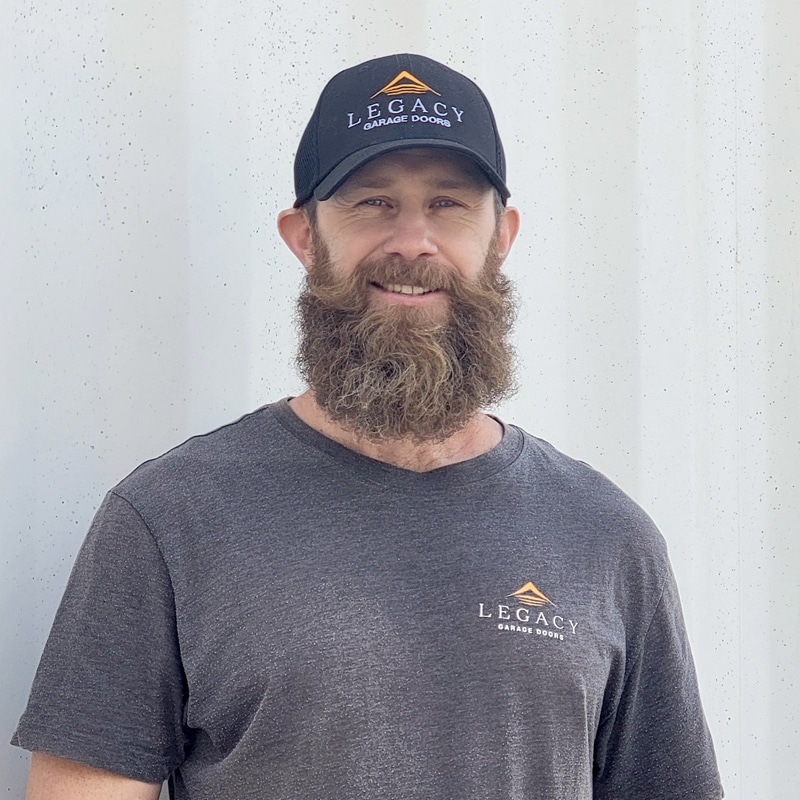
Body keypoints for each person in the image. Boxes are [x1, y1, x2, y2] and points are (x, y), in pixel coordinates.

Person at [13, 53, 723, 800]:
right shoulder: (171, 517)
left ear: (501, 235)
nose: (413, 242)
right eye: (372, 203)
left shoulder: (605, 536)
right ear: (304, 236)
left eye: (448, 204)